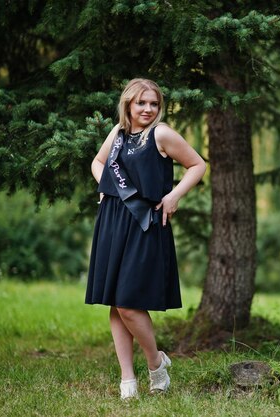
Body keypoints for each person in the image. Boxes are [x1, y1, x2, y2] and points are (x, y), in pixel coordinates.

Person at [85, 78, 206, 399]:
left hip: (146, 223)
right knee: (115, 301)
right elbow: (98, 162)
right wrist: (105, 186)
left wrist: (175, 195)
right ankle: (128, 380)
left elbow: (197, 165)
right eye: (141, 103)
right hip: (112, 220)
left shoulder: (161, 134)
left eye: (153, 103)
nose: (148, 109)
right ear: (128, 104)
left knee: (128, 301)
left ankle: (155, 363)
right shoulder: (118, 133)